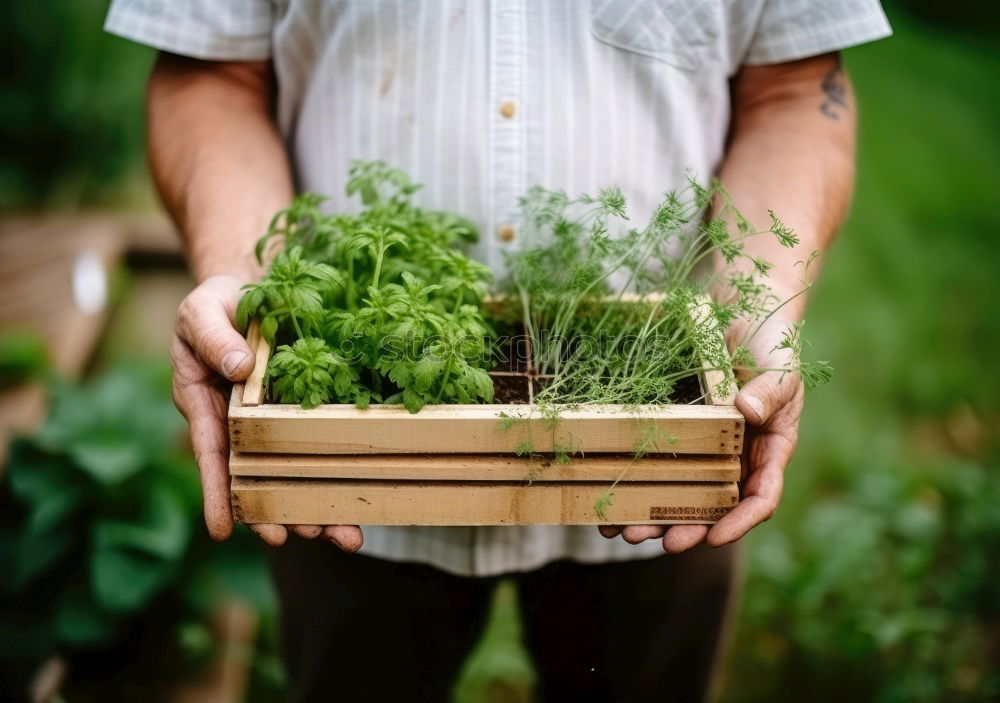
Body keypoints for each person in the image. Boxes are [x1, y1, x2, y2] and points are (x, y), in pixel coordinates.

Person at [106, 2, 891, 701]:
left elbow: (796, 90)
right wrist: (246, 287)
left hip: (659, 466)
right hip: (345, 479)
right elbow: (210, 71)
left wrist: (755, 309)